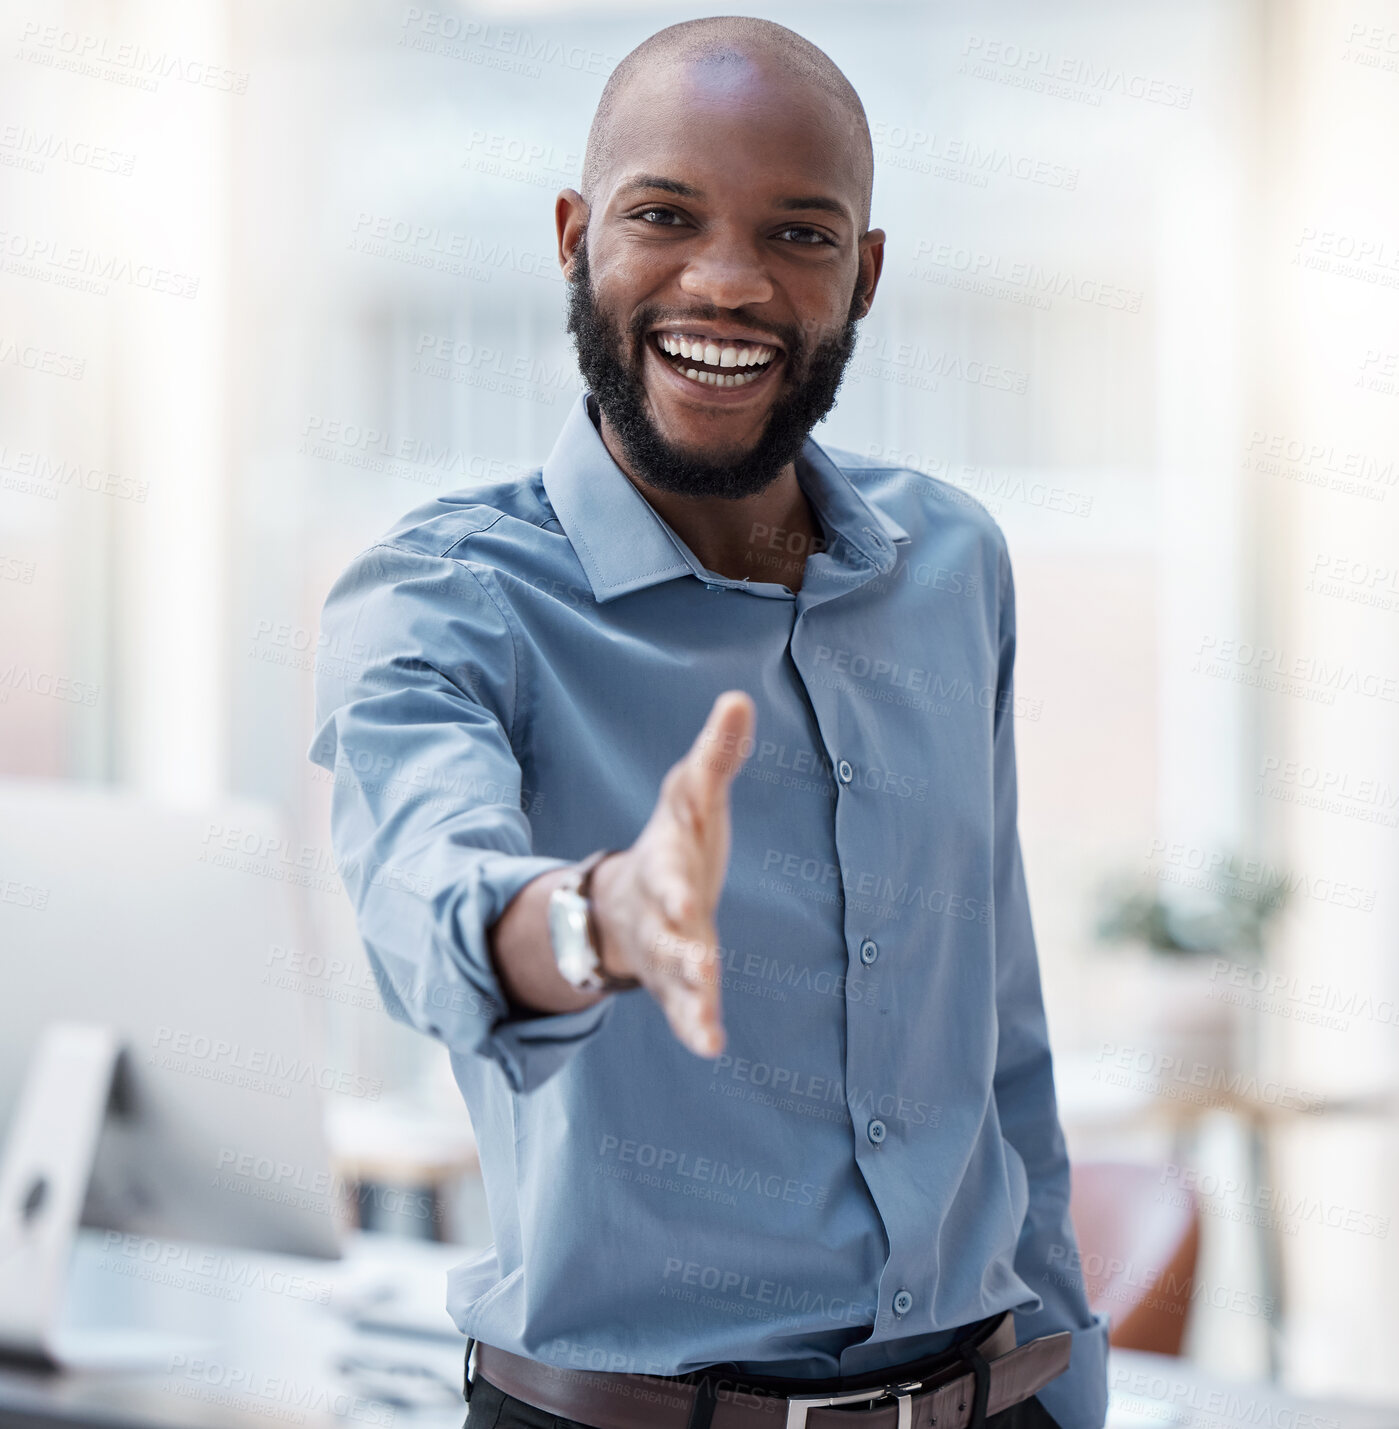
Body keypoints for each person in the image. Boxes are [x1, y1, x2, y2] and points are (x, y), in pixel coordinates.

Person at [310, 15, 1109, 1429]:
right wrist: (600, 918)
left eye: (799, 236)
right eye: (663, 216)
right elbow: (427, 894)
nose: (727, 282)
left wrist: (1069, 1381)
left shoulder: (950, 566)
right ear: (574, 237)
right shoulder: (446, 598)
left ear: (862, 276)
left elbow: (1001, 1038)